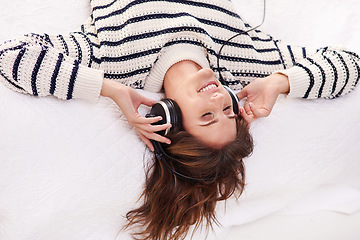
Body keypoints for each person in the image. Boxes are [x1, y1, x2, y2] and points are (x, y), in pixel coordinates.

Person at [0, 0, 359, 239]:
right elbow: (349, 63)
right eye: (228, 110)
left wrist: (107, 89)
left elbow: (13, 56)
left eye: (206, 115)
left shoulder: (113, 58)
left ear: (168, 116)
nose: (219, 97)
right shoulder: (249, 60)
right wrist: (282, 82)